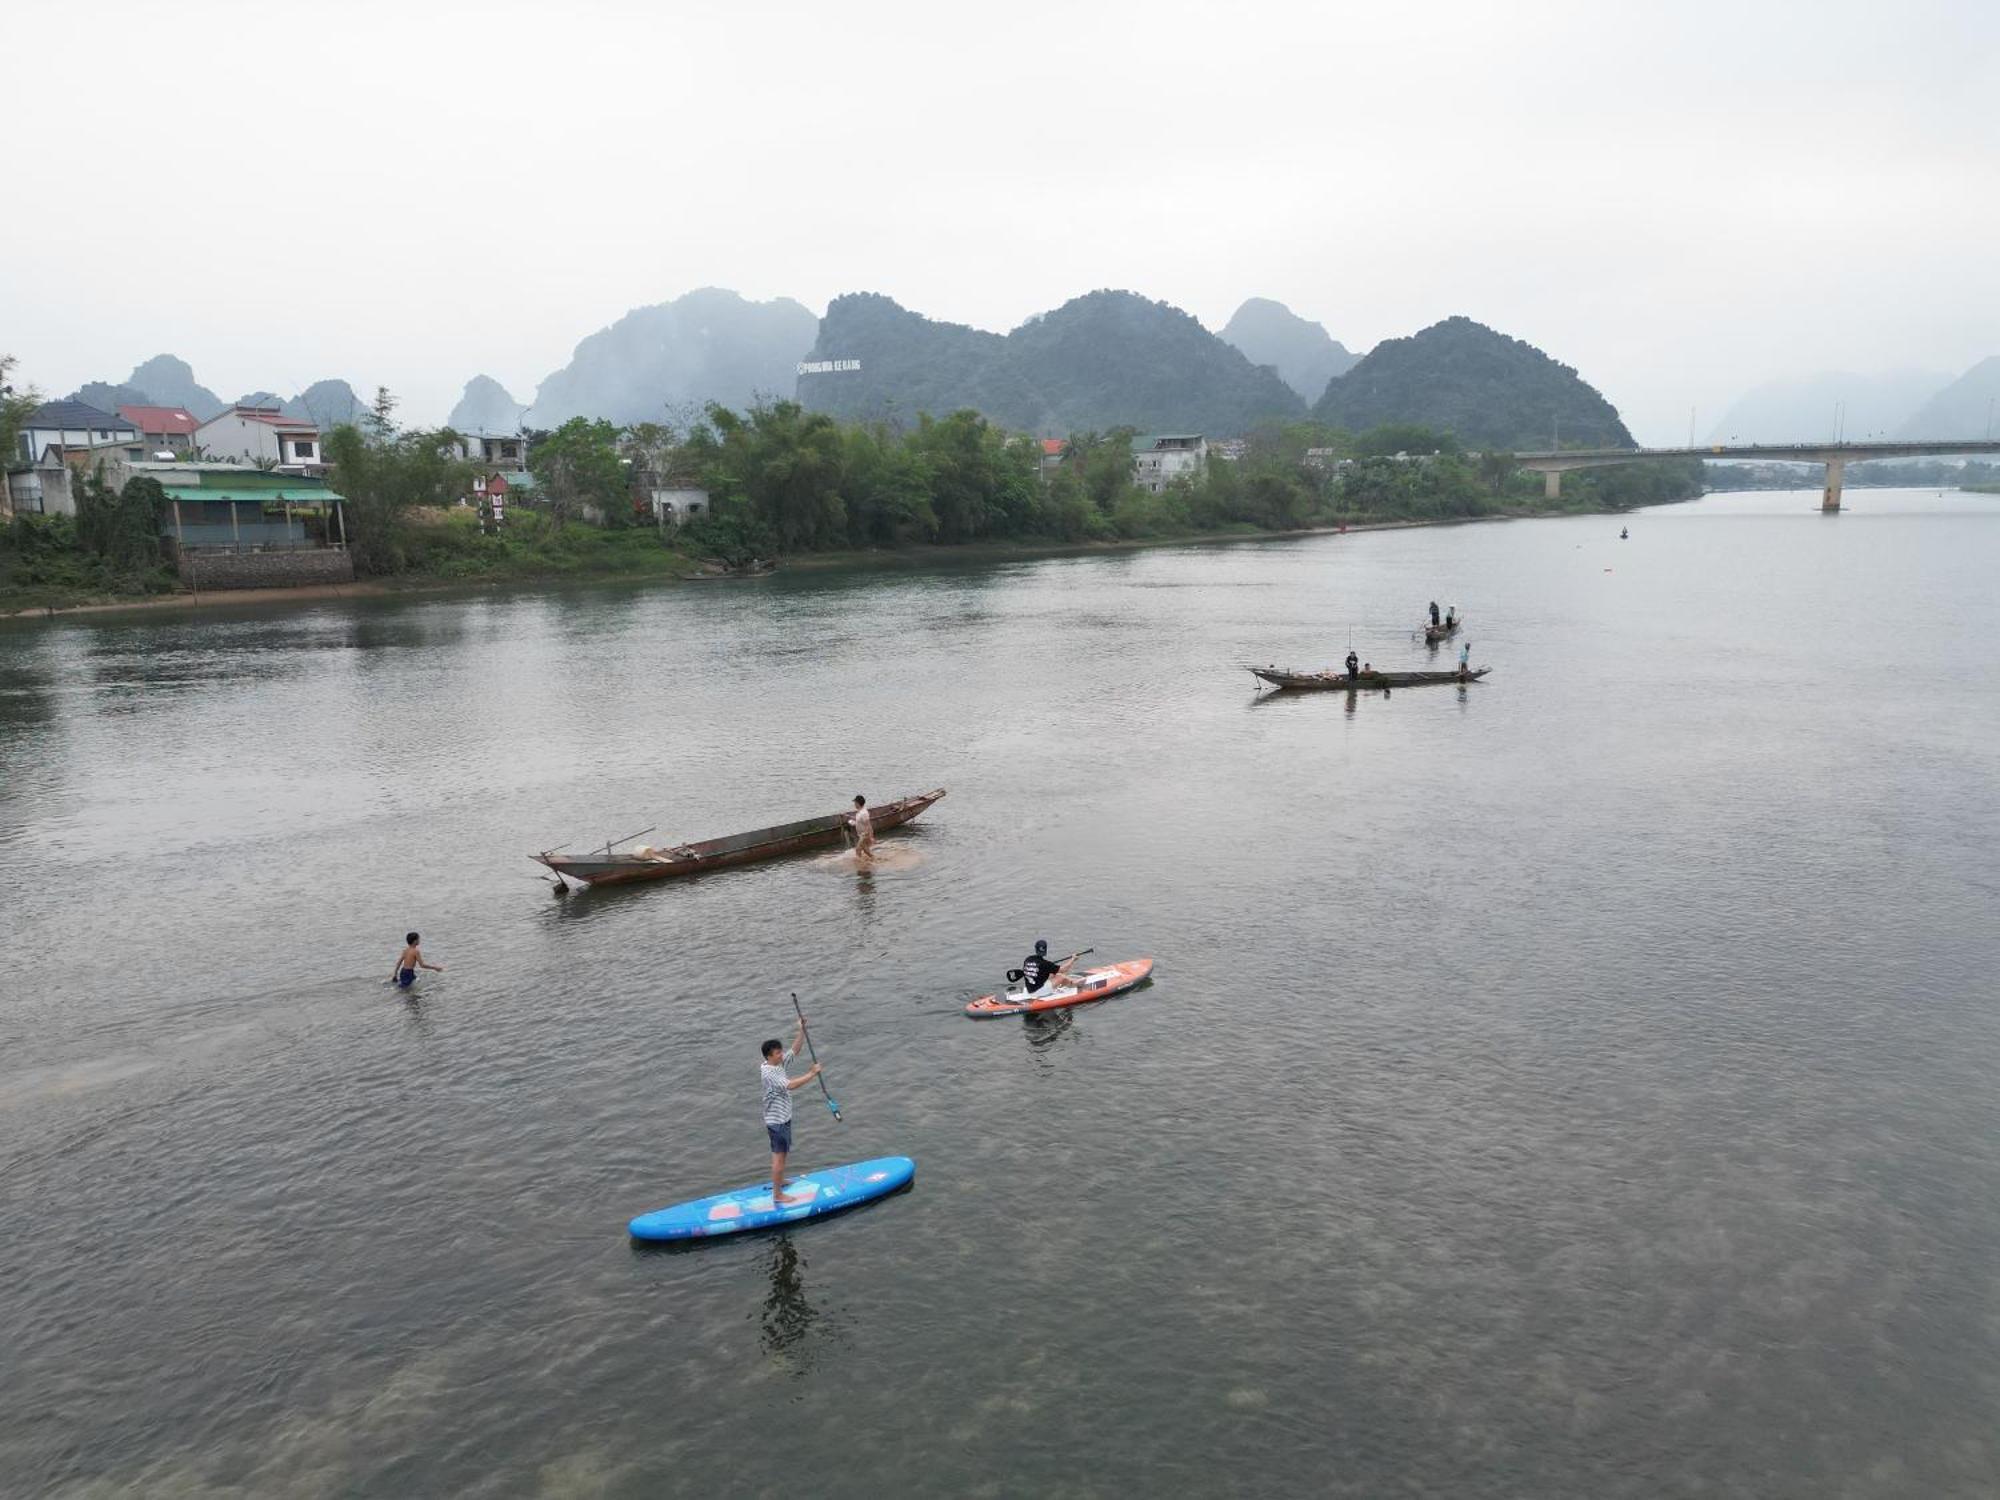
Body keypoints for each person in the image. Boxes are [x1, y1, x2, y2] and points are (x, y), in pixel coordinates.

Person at [761, 1018, 823, 1205]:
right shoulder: (769, 1073)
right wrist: (812, 1074)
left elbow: (794, 1051)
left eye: (780, 1051)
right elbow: (791, 1085)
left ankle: (780, 1182)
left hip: (784, 1118)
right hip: (777, 1121)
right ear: (769, 1057)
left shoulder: (777, 1064)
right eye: (778, 1053)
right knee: (778, 1158)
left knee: (783, 1154)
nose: (781, 1055)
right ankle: (777, 1195)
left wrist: (801, 1030)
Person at [1019, 939, 1085, 995]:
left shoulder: (1027, 959)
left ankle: (1066, 983)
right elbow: (1063, 969)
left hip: (1029, 990)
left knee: (1052, 974)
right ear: (1045, 950)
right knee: (1060, 976)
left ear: (1035, 948)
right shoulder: (1045, 963)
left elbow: (1038, 970)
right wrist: (1073, 959)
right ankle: (1074, 984)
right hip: (1038, 992)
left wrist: (1050, 969)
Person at [847, 794, 876, 863]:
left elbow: (868, 825)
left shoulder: (864, 813)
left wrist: (871, 836)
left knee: (858, 849)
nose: (854, 804)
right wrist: (849, 817)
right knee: (865, 850)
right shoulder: (860, 812)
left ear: (858, 803)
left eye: (855, 803)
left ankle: (862, 863)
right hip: (861, 834)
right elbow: (858, 820)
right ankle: (872, 859)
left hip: (864, 834)